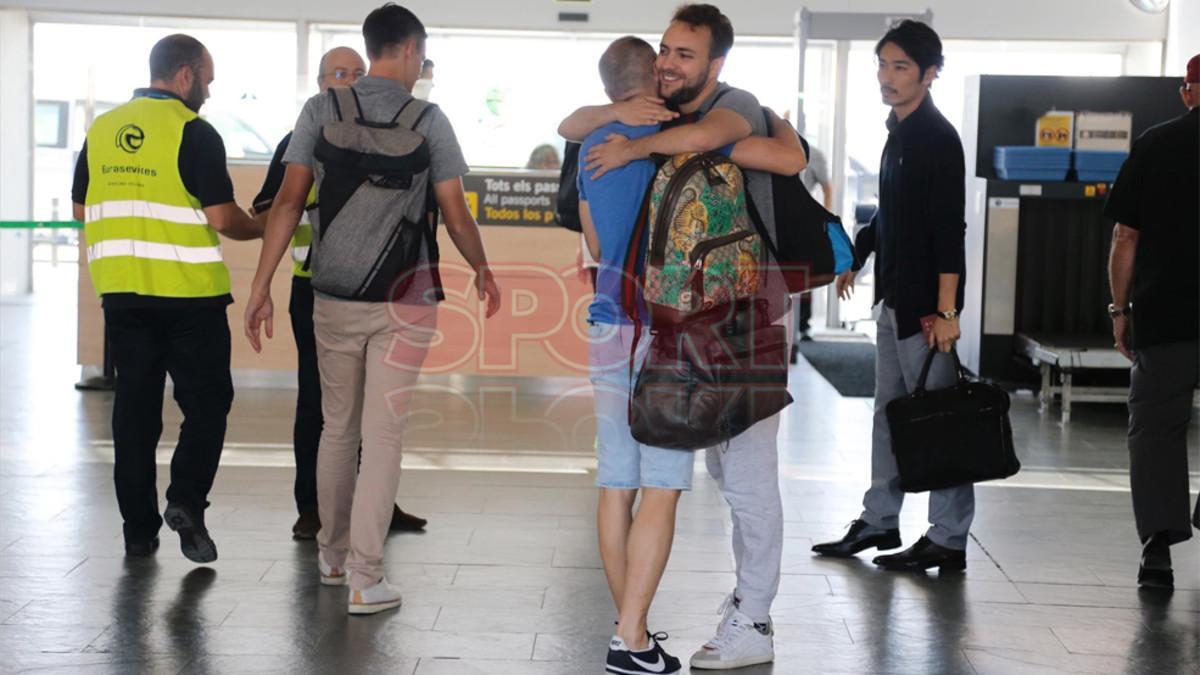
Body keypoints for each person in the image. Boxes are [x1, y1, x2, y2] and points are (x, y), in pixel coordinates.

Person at [562, 5, 806, 671]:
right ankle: (633, 635)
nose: (671, 62)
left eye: (685, 54)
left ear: (715, 62)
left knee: (730, 476)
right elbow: (786, 157)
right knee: (677, 481)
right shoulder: (661, 123)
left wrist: (629, 137)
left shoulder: (721, 113)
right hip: (666, 329)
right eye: (665, 50)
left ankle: (728, 618)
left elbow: (782, 156)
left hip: (716, 325)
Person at [244, 3, 501, 615]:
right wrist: (483, 268)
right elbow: (456, 212)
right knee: (383, 435)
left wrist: (260, 286)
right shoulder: (428, 118)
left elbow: (285, 203)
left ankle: (332, 558)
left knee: (338, 428)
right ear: (411, 51)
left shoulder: (319, 110)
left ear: (371, 48)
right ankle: (366, 576)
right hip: (405, 301)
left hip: (331, 293)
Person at [71, 34, 262, 563]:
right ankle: (185, 501)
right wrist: (266, 226)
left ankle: (138, 531)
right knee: (206, 405)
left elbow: (81, 209)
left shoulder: (104, 128)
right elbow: (224, 219)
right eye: (208, 78)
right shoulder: (194, 133)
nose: (209, 89)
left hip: (123, 297)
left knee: (134, 412)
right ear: (185, 75)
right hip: (188, 297)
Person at [812, 20, 972, 574]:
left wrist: (948, 311)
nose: (887, 76)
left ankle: (950, 537)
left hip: (929, 310)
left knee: (938, 421)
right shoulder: (897, 134)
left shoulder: (937, 138)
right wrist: (858, 254)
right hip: (895, 301)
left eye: (900, 66)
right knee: (889, 414)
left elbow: (950, 230)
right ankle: (880, 517)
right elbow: (889, 212)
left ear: (929, 74)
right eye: (882, 65)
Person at [251, 46, 427, 540]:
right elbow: (270, 209)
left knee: (381, 409)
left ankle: (377, 507)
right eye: (338, 73)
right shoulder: (301, 137)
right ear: (320, 81)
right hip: (317, 288)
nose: (348, 81)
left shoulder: (391, 133)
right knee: (322, 407)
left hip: (382, 292)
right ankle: (315, 508)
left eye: (356, 73)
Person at [1104, 53, 1200, 590]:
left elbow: (1126, 237)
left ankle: (1159, 548)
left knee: (1157, 429)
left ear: (1187, 91)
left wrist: (1120, 310)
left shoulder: (1156, 144)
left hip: (1165, 314)